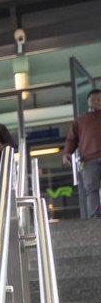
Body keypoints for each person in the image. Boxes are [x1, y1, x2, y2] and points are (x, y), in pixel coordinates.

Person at [62, 88, 101, 219]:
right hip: (89, 160)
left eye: (99, 99)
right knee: (91, 189)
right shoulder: (80, 121)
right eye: (93, 99)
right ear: (88, 102)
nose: (96, 101)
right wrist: (67, 153)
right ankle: (95, 217)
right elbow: (71, 140)